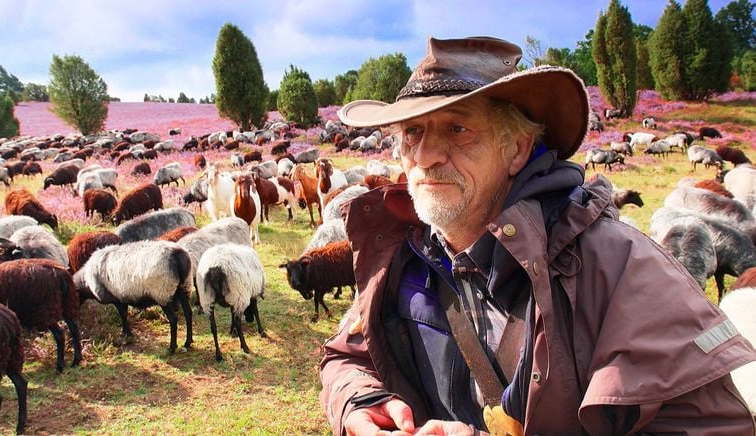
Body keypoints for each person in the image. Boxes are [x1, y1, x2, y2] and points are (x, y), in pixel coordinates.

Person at [318, 36, 756, 435]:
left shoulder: (617, 266)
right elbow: (347, 356)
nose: (426, 155)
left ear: (518, 150)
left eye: (457, 128)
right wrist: (363, 403)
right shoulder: (406, 252)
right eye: (413, 132)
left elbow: (712, 426)